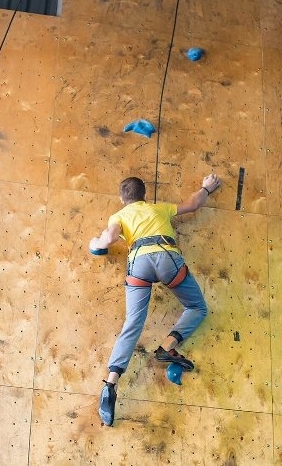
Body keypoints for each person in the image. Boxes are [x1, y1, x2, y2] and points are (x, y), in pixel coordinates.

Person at [89, 172, 222, 426]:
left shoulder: (119, 216)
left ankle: (111, 384)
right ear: (144, 196)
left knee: (132, 324)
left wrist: (95, 243)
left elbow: (109, 239)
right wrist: (206, 187)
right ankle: (168, 345)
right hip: (166, 256)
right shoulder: (159, 209)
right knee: (197, 307)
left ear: (122, 198)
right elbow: (193, 204)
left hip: (139, 262)